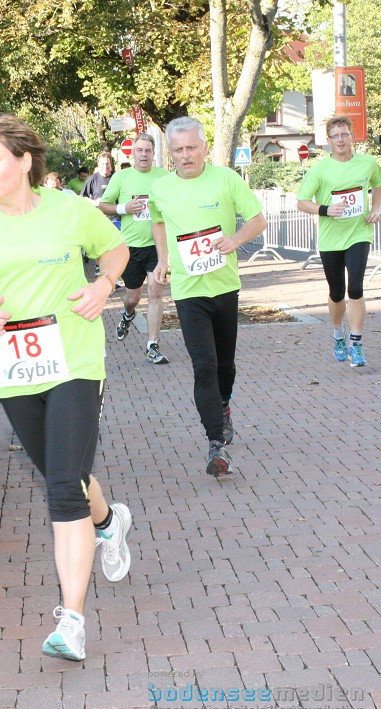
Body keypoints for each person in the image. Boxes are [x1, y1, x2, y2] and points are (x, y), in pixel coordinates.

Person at [0, 114, 133, 662]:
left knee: (62, 488)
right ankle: (109, 523)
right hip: (17, 370)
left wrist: (102, 285)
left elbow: (117, 252)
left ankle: (72, 622)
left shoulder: (69, 209)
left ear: (24, 160)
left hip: (74, 361)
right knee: (61, 473)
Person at [149, 117, 267, 477]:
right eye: (178, 150)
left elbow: (258, 220)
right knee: (204, 367)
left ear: (204, 147)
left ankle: (224, 406)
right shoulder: (162, 188)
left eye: (191, 148)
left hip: (224, 287)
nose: (186, 156)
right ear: (171, 153)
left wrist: (234, 241)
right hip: (188, 292)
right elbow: (157, 220)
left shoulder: (226, 179)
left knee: (226, 366)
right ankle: (216, 443)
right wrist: (163, 259)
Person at [296, 114, 381, 368]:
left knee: (355, 288)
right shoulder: (320, 169)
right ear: (328, 140)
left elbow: (379, 184)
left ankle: (356, 344)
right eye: (335, 136)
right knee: (337, 293)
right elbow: (302, 201)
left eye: (345, 134)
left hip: (359, 234)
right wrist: (325, 209)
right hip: (331, 240)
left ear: (352, 136)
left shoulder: (367, 163)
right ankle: (338, 334)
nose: (341, 139)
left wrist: (376, 208)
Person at [98, 133, 170, 365]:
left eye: (148, 151)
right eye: (139, 150)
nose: (144, 155)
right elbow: (103, 206)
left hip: (156, 247)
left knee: (156, 293)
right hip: (130, 248)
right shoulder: (122, 177)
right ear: (133, 153)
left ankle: (152, 345)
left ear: (153, 154)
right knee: (133, 297)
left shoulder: (165, 177)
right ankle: (128, 314)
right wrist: (125, 207)